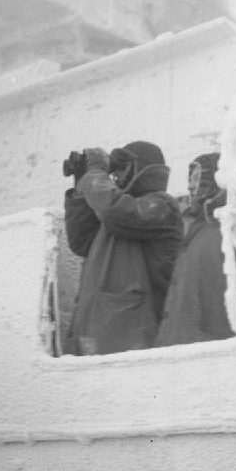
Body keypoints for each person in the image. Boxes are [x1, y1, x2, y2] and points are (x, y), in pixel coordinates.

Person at [64, 141, 182, 355]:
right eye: (114, 169)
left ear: (141, 168)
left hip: (134, 336)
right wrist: (82, 185)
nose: (116, 175)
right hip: (100, 330)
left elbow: (117, 212)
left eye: (122, 168)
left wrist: (95, 175)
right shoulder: (116, 215)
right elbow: (81, 241)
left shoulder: (163, 206)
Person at [154, 152, 236, 347]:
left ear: (218, 178)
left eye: (198, 178)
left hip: (215, 346)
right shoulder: (197, 226)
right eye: (190, 179)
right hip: (181, 344)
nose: (190, 186)